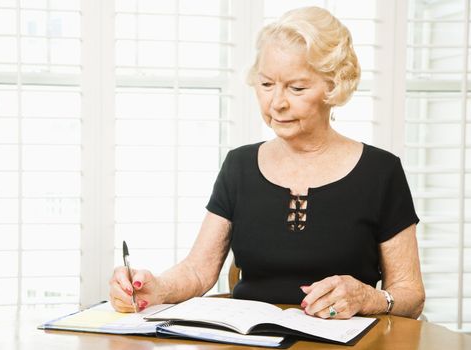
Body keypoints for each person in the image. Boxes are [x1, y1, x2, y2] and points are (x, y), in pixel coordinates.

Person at [109, 6, 425, 320]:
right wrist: (155, 288)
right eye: (266, 84)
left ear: (333, 86)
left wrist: (370, 297)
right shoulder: (239, 166)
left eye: (297, 87)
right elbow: (198, 271)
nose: (277, 103)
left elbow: (410, 294)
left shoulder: (381, 172)